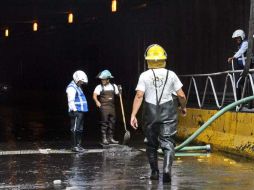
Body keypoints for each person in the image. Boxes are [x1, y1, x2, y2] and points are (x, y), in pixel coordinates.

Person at [130, 44, 187, 183]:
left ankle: (155, 172)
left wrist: (133, 115)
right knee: (168, 143)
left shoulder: (144, 75)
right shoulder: (171, 74)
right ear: (164, 58)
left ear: (147, 60)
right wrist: (183, 107)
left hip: (150, 112)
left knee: (151, 144)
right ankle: (167, 169)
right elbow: (181, 95)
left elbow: (139, 96)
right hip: (168, 111)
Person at [93, 70, 119, 145]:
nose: (102, 81)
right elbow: (94, 95)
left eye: (104, 79)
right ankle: (104, 138)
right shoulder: (99, 87)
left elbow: (118, 95)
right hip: (104, 107)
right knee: (104, 123)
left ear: (108, 79)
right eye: (102, 79)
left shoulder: (114, 86)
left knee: (112, 122)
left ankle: (110, 138)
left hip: (112, 107)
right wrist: (97, 101)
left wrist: (120, 91)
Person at [66, 70, 88, 153]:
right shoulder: (71, 87)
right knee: (75, 129)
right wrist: (75, 111)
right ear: (77, 79)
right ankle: (74, 146)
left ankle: (78, 145)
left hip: (80, 111)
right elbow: (70, 101)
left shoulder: (77, 86)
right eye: (81, 81)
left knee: (79, 129)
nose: (82, 83)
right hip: (76, 111)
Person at [227, 29, 248, 100]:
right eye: (236, 39)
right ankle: (241, 103)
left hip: (248, 69)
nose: (237, 40)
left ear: (242, 37)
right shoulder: (240, 45)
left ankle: (238, 104)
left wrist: (233, 57)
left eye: (238, 38)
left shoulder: (246, 43)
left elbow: (241, 51)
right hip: (243, 69)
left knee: (239, 84)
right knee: (241, 84)